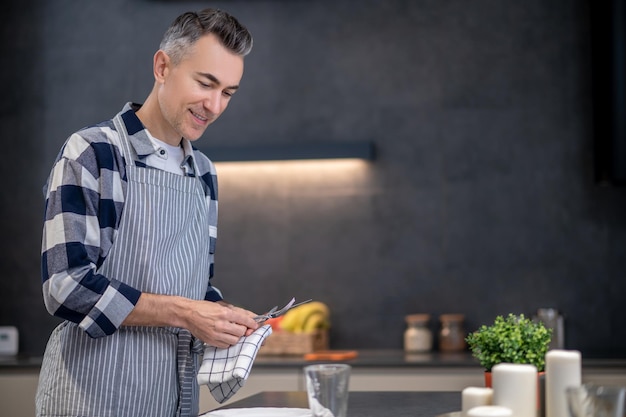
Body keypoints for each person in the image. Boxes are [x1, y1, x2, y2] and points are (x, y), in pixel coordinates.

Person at [36, 8, 260, 417]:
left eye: (228, 92)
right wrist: (187, 313)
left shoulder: (203, 173)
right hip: (93, 397)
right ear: (162, 66)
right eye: (205, 83)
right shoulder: (94, 152)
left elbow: (191, 285)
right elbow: (65, 286)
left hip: (175, 399)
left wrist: (220, 315)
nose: (214, 105)